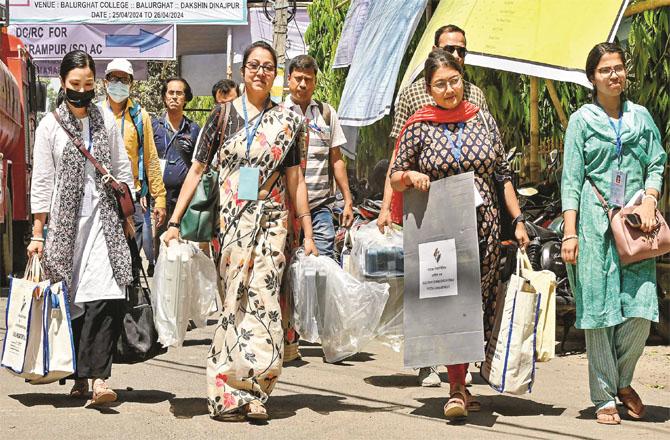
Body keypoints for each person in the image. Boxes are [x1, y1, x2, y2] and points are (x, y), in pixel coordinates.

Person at [162, 41, 318, 421]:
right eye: (253, 65)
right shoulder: (222, 116)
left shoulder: (288, 121)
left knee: (264, 304)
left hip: (271, 222)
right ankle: (225, 391)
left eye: (267, 66)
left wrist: (308, 232)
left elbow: (296, 181)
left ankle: (256, 393)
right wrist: (173, 222)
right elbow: (197, 170)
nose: (260, 72)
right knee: (233, 302)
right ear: (242, 71)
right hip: (230, 225)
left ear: (275, 73)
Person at [389, 49, 529, 419]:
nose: (449, 90)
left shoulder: (481, 119)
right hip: (441, 226)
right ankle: (454, 387)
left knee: (479, 303)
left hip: (483, 226)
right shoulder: (419, 125)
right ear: (429, 89)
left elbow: (502, 173)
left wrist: (516, 220)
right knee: (452, 302)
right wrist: (410, 177)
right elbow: (395, 174)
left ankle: (464, 380)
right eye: (440, 84)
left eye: (454, 81)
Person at [561, 42, 666, 425]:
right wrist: (570, 233)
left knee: (641, 305)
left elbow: (657, 161)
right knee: (599, 309)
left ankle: (623, 381)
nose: (614, 75)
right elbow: (571, 180)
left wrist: (652, 198)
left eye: (619, 68)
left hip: (638, 222)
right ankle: (605, 395)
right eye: (606, 70)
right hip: (592, 223)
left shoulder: (640, 117)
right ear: (592, 77)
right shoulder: (581, 121)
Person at [380, 24, 490, 387]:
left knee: (473, 295)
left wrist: (513, 217)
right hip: (435, 218)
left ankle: (465, 365)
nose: (456, 57)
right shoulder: (415, 103)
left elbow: (497, 163)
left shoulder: (478, 101)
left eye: (462, 52)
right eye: (450, 49)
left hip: (478, 217)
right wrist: (391, 200)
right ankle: (444, 372)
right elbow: (398, 159)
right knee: (441, 293)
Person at [28, 50, 135, 404]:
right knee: (72, 301)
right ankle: (79, 376)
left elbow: (121, 169)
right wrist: (37, 234)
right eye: (75, 84)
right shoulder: (49, 126)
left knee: (105, 294)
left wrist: (129, 217)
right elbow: (42, 181)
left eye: (88, 84)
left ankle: (100, 379)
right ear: (63, 83)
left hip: (105, 222)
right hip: (65, 228)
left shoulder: (104, 118)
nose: (82, 91)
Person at [285, 54, 354, 258]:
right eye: (298, 78)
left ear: (315, 82)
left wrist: (347, 199)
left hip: (320, 206)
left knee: (323, 266)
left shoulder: (326, 113)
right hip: (286, 208)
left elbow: (336, 159)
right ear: (289, 79)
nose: (303, 84)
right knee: (286, 267)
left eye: (308, 79)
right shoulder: (278, 114)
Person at [102, 58, 167, 259]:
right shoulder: (96, 113)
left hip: (131, 197)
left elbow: (150, 158)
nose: (119, 84)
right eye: (114, 78)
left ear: (131, 83)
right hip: (102, 195)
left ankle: (132, 289)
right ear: (105, 82)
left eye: (124, 79)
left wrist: (160, 197)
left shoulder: (140, 116)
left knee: (130, 255)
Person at [151, 77, 201, 266]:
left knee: (183, 246)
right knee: (160, 246)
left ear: (186, 98)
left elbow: (199, 165)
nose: (174, 97)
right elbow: (146, 160)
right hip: (159, 198)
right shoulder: (154, 126)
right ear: (164, 97)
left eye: (179, 93)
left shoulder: (194, 129)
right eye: (170, 93)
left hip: (186, 199)